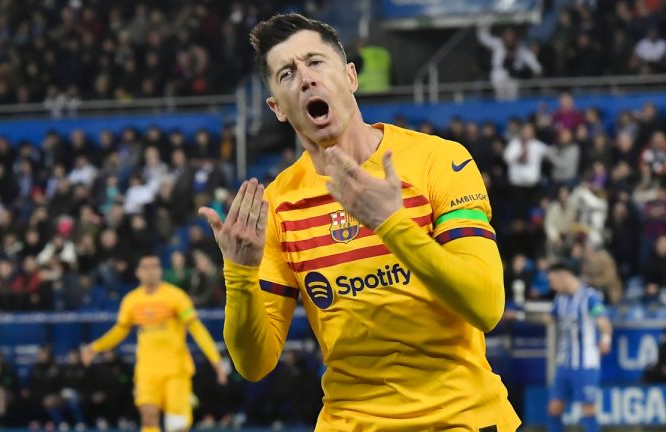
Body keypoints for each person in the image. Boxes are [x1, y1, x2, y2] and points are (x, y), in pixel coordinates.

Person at [199, 13, 519, 430]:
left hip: (462, 418)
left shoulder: (439, 161)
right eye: (287, 73)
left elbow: (487, 306)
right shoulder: (279, 204)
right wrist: (239, 275)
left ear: (350, 76)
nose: (306, 78)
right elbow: (254, 364)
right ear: (277, 107)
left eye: (316, 62)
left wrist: (392, 225)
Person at [81, 255, 227, 432]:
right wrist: (94, 348)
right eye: (146, 267)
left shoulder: (176, 296)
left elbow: (197, 329)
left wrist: (216, 361)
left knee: (177, 425)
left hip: (175, 370)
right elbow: (120, 331)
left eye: (155, 266)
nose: (151, 271)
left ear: (160, 271)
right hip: (147, 370)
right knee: (149, 418)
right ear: (138, 272)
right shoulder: (132, 300)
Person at [545, 262, 612, 432]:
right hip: (564, 363)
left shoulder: (590, 297)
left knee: (587, 409)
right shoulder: (560, 299)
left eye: (553, 280)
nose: (551, 285)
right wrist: (520, 314)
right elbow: (550, 318)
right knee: (554, 408)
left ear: (564, 275)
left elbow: (604, 321)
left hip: (586, 365)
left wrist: (605, 338)